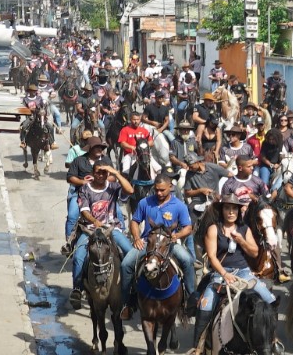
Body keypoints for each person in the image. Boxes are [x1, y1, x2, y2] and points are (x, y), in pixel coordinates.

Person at [187, 194, 277, 355]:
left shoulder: (244, 229)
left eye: (234, 208)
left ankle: (272, 340)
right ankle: (197, 351)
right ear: (222, 210)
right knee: (205, 305)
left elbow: (254, 252)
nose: (230, 212)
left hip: (244, 273)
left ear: (238, 211)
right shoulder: (214, 229)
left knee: (271, 301)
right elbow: (212, 257)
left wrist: (241, 241)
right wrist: (224, 274)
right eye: (227, 208)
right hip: (220, 273)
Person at [120, 173, 196, 320]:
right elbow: (135, 221)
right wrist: (136, 238)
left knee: (188, 260)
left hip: (169, 244)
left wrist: (177, 236)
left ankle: (190, 299)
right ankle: (127, 303)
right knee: (126, 264)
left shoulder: (179, 206)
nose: (159, 193)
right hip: (148, 243)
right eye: (156, 190)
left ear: (170, 187)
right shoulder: (145, 202)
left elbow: (188, 227)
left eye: (162, 190)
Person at [69, 160, 135, 310]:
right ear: (93, 173)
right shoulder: (85, 189)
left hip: (111, 229)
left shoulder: (113, 186)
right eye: (98, 172)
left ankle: (132, 288)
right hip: (91, 230)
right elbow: (84, 211)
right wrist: (95, 221)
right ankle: (77, 288)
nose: (101, 175)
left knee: (131, 254)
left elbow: (130, 190)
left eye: (104, 172)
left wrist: (116, 173)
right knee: (78, 256)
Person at [63, 136, 109, 252]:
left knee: (118, 213)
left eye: (101, 147)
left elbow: (114, 177)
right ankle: (69, 242)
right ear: (90, 149)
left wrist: (99, 179)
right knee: (72, 215)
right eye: (96, 147)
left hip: (103, 195)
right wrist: (82, 182)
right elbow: (70, 177)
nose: (99, 149)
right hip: (80, 194)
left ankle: (120, 239)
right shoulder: (79, 160)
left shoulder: (106, 161)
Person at [117, 108, 153, 176]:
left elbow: (151, 142)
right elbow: (122, 143)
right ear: (130, 119)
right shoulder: (125, 130)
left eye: (138, 119)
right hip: (130, 154)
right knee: (126, 170)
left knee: (157, 168)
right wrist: (132, 147)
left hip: (144, 154)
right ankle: (125, 178)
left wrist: (143, 147)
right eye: (134, 119)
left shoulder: (144, 130)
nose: (136, 121)